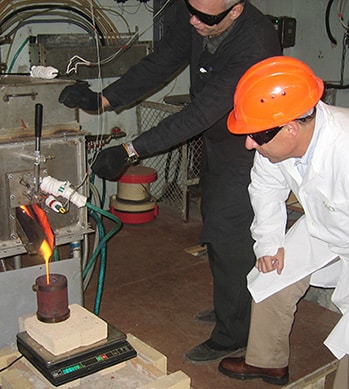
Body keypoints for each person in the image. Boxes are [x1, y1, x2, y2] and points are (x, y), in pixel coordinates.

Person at [59, 0, 281, 363]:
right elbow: (161, 62)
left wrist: (130, 151)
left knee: (230, 230)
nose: (193, 19)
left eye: (205, 18)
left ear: (236, 10)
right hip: (216, 136)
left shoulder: (256, 43)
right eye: (191, 9)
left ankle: (235, 332)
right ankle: (233, 302)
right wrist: (104, 98)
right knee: (215, 221)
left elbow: (200, 112)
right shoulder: (195, 13)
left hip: (247, 143)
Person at [218, 55, 349, 387]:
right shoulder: (276, 145)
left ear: (291, 128)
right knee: (272, 276)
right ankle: (267, 362)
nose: (249, 143)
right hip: (327, 224)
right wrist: (269, 243)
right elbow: (264, 187)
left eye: (256, 136)